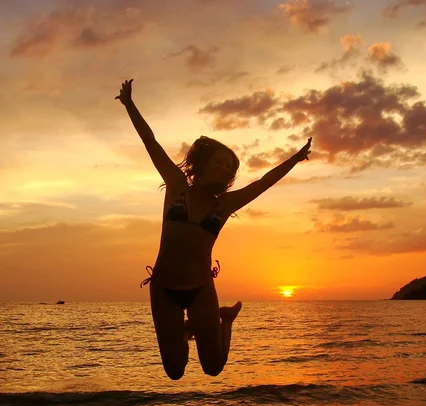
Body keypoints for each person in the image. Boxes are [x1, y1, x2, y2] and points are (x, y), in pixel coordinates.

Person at [115, 79, 312, 380]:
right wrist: (129, 104)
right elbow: (150, 142)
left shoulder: (226, 204)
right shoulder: (176, 185)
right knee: (174, 372)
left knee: (214, 367)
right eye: (220, 163)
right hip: (164, 289)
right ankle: (184, 333)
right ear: (203, 164)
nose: (226, 171)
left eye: (230, 168)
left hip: (200, 289)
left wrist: (295, 159)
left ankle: (226, 320)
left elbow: (264, 183)